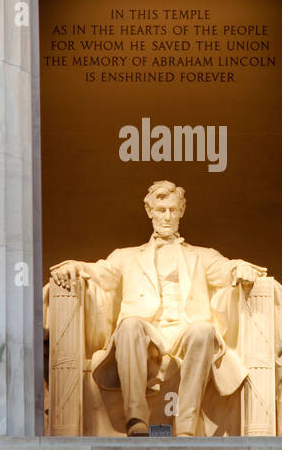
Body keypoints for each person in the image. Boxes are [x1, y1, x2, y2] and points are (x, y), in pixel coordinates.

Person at [49, 180, 262, 436]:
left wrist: (241, 268)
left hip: (185, 331)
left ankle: (186, 425)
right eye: (161, 210)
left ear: (181, 211)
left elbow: (226, 269)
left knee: (205, 330)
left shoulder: (202, 255)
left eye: (173, 210)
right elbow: (100, 273)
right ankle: (136, 420)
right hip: (146, 334)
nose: (167, 216)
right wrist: (76, 267)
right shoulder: (125, 256)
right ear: (150, 211)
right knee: (129, 326)